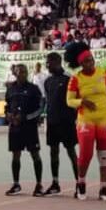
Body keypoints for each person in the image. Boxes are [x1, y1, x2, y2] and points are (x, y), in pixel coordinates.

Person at [65, 41, 106, 201]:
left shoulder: (103, 73)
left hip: (104, 119)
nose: (90, 63)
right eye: (87, 61)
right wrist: (82, 102)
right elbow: (69, 100)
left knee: (104, 154)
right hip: (86, 120)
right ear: (81, 63)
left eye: (91, 59)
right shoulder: (76, 79)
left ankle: (104, 188)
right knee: (86, 154)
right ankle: (81, 182)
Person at [4, 64, 44, 196]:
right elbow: (7, 106)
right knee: (16, 155)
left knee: (35, 155)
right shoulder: (10, 89)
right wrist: (8, 116)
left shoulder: (33, 89)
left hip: (30, 128)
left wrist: (26, 118)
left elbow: (40, 108)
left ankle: (39, 185)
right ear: (15, 73)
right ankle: (16, 184)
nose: (22, 74)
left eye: (25, 72)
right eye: (20, 72)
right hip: (15, 128)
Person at [43, 51, 78, 196]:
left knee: (71, 152)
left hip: (67, 122)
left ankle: (79, 183)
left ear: (57, 62)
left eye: (48, 62)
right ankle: (55, 183)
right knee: (53, 152)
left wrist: (74, 117)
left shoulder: (69, 78)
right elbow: (48, 101)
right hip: (52, 122)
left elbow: (76, 99)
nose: (47, 65)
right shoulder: (47, 81)